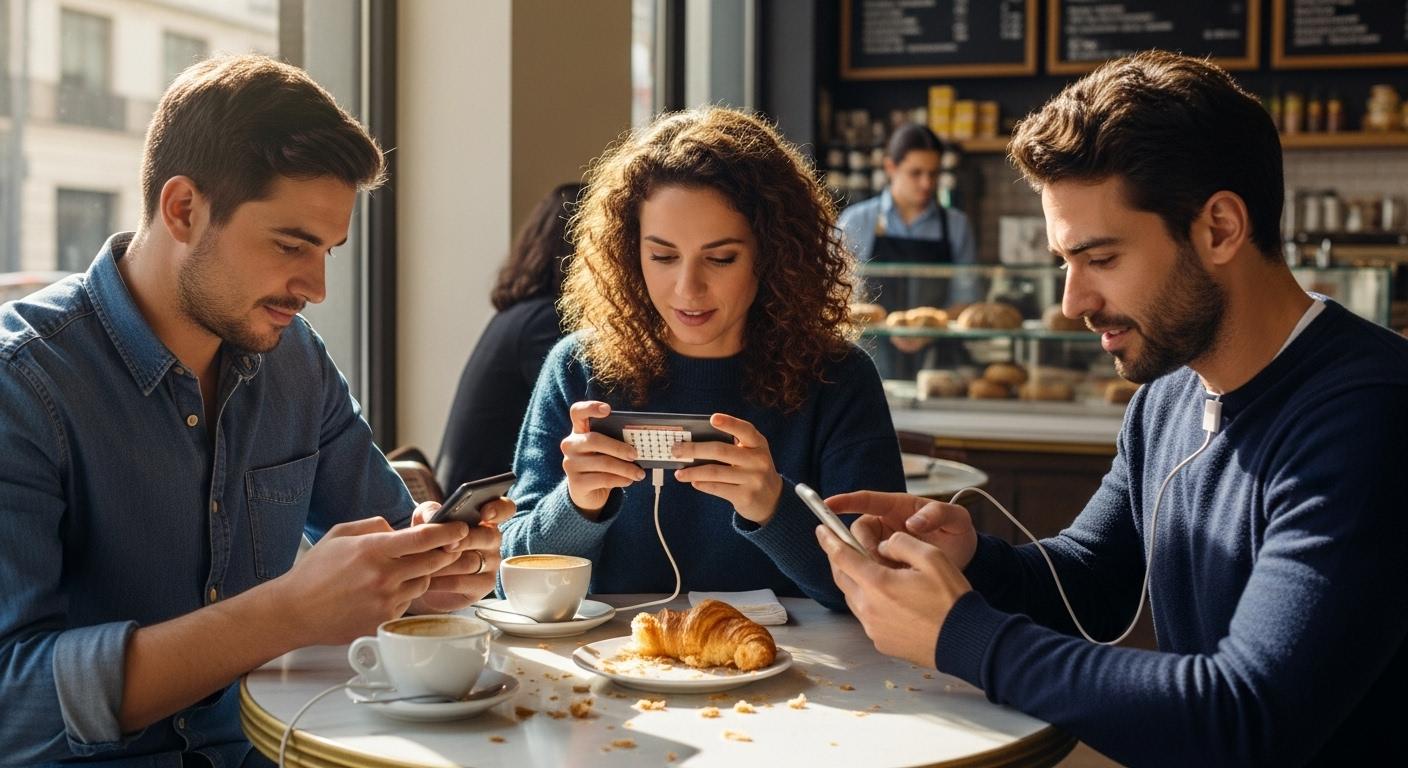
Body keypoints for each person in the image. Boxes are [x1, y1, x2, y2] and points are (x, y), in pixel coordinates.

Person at [818, 50, 1407, 767]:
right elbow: (1094, 580)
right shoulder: (1167, 394)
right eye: (1066, 262)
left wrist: (962, 634)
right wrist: (976, 561)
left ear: (1219, 227)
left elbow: (1247, 714)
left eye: (1100, 259)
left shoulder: (1370, 415)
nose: (1072, 303)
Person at [0, 55, 512, 765]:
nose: (318, 287)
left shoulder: (293, 359)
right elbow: (11, 703)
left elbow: (390, 547)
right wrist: (287, 613)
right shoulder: (22, 384)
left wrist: (432, 572)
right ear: (183, 209)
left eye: (329, 250)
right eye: (291, 245)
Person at [501, 107, 905, 610]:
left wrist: (772, 508)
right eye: (663, 257)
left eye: (721, 258)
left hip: (805, 680)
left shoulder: (839, 379)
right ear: (630, 252)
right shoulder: (579, 368)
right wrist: (576, 504)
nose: (688, 289)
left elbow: (885, 586)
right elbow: (508, 581)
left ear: (773, 253)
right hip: (612, 674)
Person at [437, 182, 584, 492]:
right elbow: (585, 419)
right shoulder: (546, 322)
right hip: (489, 514)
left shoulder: (519, 316)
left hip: (471, 497)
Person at [837, 124, 980, 376]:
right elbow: (835, 298)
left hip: (937, 365)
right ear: (890, 167)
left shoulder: (957, 225)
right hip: (867, 362)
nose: (927, 183)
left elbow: (967, 300)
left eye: (933, 174)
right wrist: (885, 326)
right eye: (916, 173)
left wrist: (928, 328)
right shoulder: (856, 221)